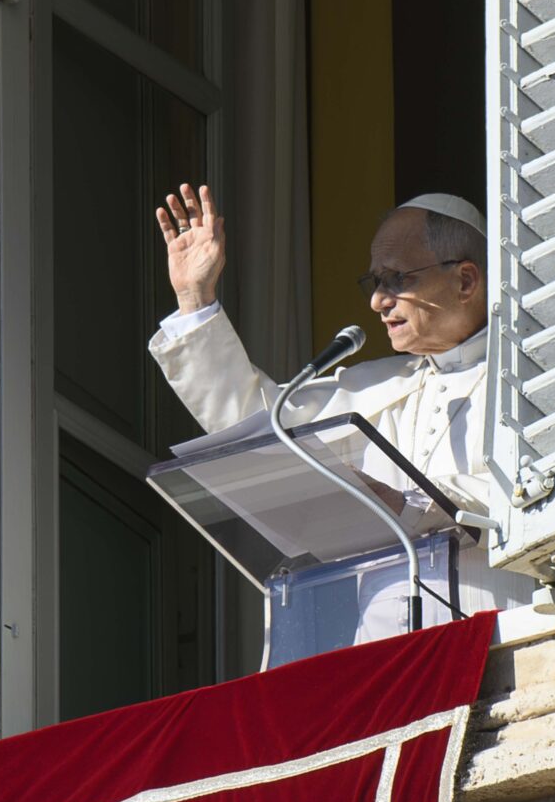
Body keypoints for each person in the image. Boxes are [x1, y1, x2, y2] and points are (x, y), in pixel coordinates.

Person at [147, 184, 533, 643]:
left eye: (396, 279)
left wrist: (410, 504)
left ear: (466, 280)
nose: (377, 301)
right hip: (382, 649)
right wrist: (195, 299)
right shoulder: (375, 385)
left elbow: (536, 492)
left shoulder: (530, 379)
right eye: (375, 282)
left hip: (505, 635)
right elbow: (257, 426)